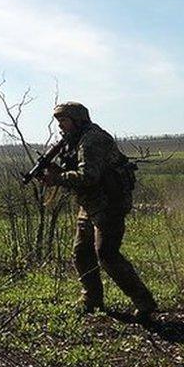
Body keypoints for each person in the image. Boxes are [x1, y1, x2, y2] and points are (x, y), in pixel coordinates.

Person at [40, 102, 157, 322]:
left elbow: (88, 176)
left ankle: (144, 302)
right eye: (58, 122)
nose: (60, 126)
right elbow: (79, 174)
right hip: (90, 203)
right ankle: (91, 299)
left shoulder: (92, 140)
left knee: (107, 254)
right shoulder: (74, 140)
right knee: (81, 252)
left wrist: (58, 178)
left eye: (63, 121)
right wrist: (57, 172)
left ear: (78, 120)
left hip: (110, 203)